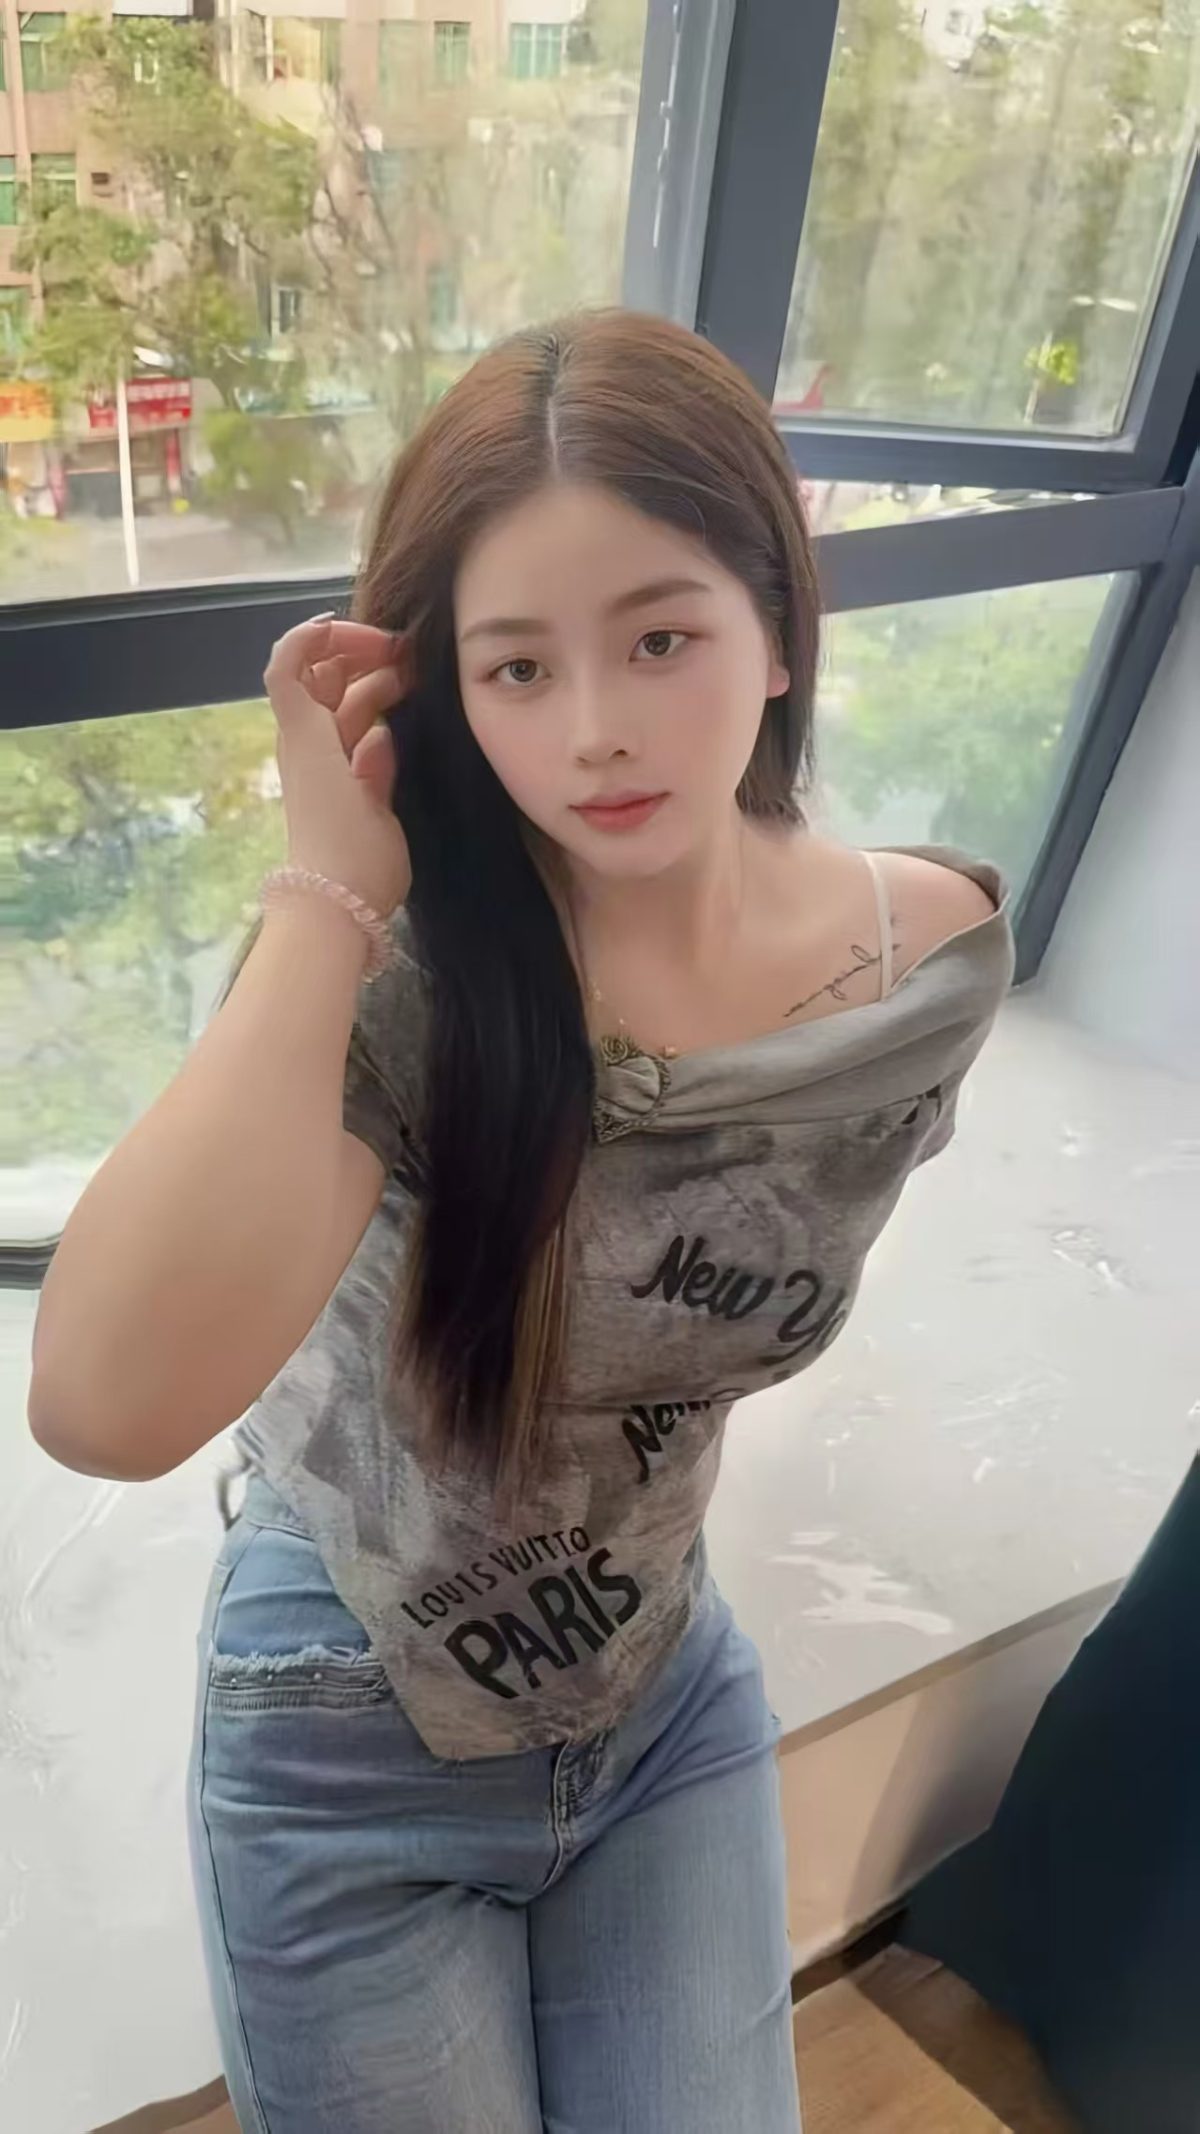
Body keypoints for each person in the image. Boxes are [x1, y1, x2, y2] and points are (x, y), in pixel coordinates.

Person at [28, 311, 1013, 2133]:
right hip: (349, 1716)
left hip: (659, 1688)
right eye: (517, 668)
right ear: (446, 694)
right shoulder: (409, 988)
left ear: (779, 623)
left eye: (660, 637)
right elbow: (102, 1401)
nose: (597, 728)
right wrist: (324, 889)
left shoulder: (923, 963)